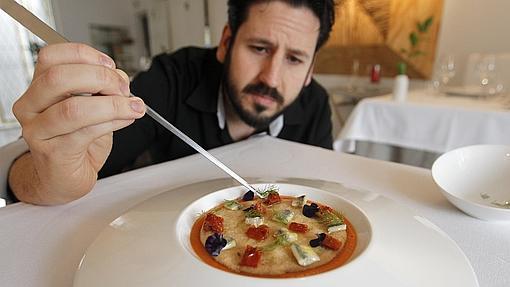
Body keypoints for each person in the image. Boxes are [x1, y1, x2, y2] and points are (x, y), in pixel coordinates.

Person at [7, 0, 336, 205]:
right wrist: (51, 179)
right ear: (225, 43)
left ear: (310, 72)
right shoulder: (171, 80)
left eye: (294, 59)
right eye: (260, 48)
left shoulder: (316, 105)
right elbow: (28, 169)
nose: (272, 77)